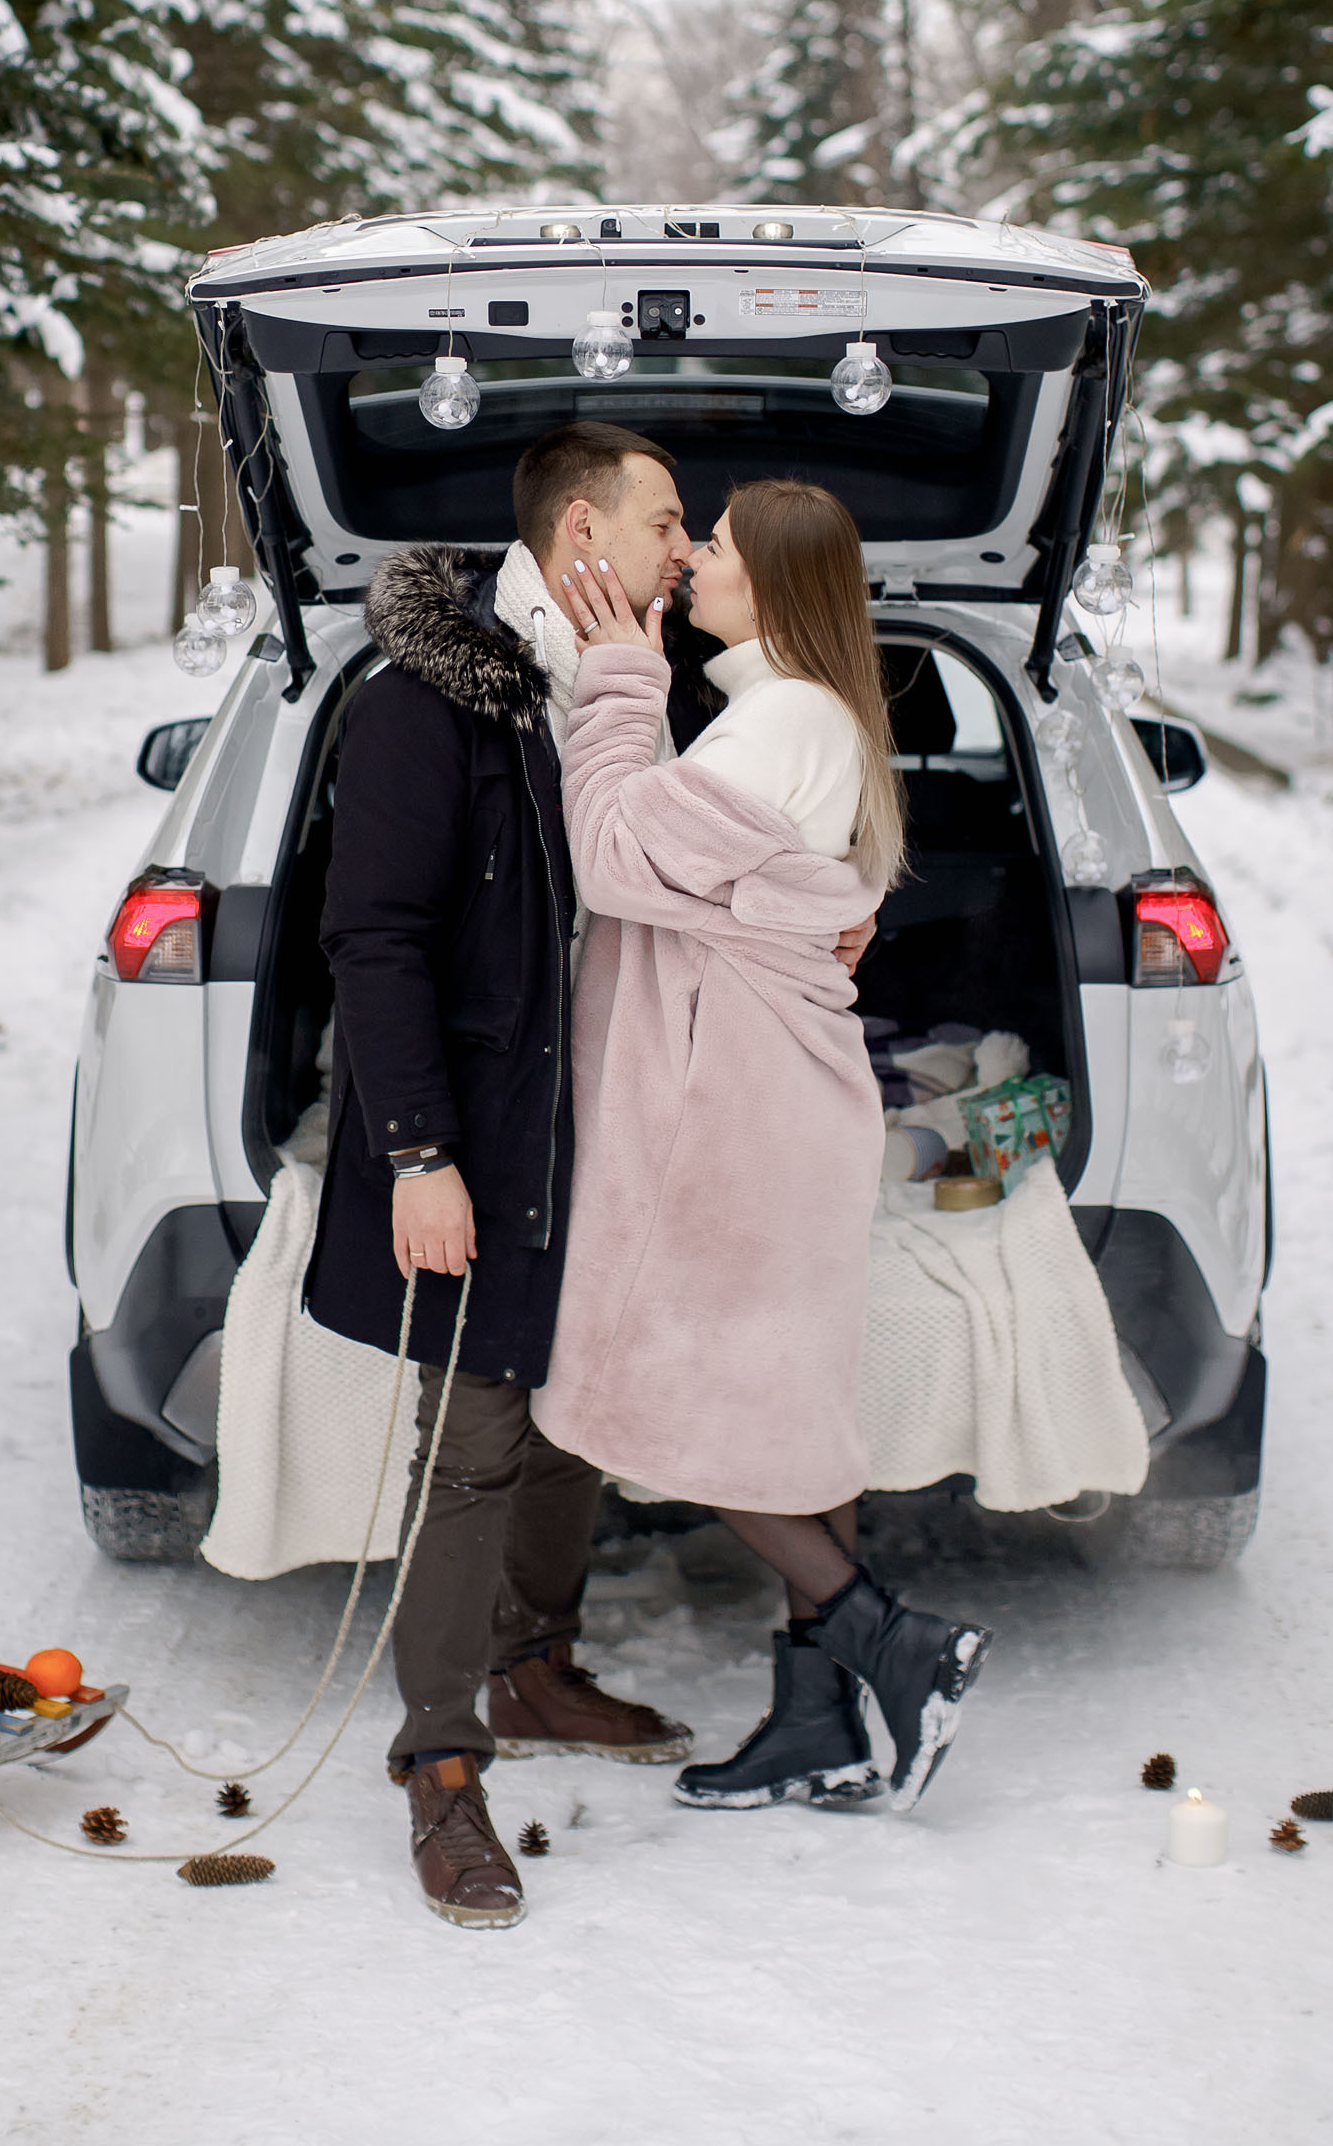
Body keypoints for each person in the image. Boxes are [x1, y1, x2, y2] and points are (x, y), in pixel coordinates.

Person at [533, 478, 993, 1816]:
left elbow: (615, 856)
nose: (691, 563)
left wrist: (621, 676)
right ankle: (816, 1723)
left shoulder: (781, 717)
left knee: (683, 1408)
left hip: (733, 1123)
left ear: (773, 584)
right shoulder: (795, 716)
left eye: (715, 548)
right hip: (786, 1112)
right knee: (788, 1422)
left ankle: (894, 1643)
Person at [305, 421, 702, 1930]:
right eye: (668, 522)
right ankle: (442, 1764)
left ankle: (534, 1665)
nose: (686, 547)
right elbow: (373, 942)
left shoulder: (647, 688)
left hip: (608, 1125)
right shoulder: (427, 704)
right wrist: (419, 1153)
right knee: (473, 1436)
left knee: (577, 1406)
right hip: (477, 1132)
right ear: (582, 533)